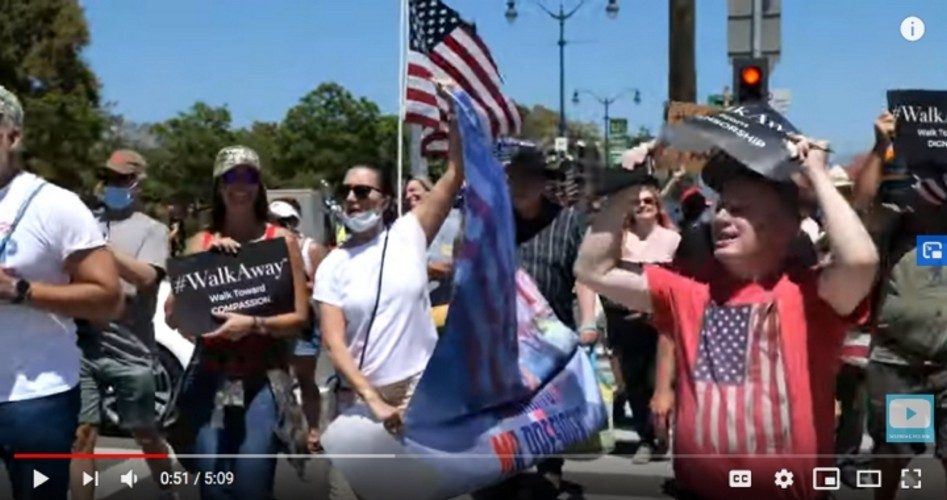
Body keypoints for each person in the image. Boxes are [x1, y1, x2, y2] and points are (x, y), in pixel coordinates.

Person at [576, 136, 879, 499]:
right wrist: (626, 189)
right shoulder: (689, 289)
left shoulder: (814, 293)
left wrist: (816, 174)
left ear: (786, 224)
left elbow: (861, 261)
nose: (721, 217)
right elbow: (593, 269)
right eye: (720, 206)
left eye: (740, 208)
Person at [314, 86, 464, 500]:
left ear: (384, 200)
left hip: (419, 391)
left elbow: (453, 176)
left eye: (363, 192)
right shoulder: (333, 265)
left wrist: (453, 116)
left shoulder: (409, 235)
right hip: (359, 399)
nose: (352, 199)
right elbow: (333, 342)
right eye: (347, 191)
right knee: (344, 492)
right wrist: (371, 399)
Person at [167, 145, 310, 500]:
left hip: (261, 379)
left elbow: (299, 319)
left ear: (259, 185)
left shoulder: (282, 242)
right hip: (209, 377)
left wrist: (253, 325)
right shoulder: (199, 242)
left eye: (249, 176)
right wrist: (206, 264)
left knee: (251, 486)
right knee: (214, 486)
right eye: (231, 177)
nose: (240, 185)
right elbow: (176, 319)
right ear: (219, 185)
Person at [0, 85, 122, 500]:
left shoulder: (54, 205)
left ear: (13, 136)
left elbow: (109, 297)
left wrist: (19, 290)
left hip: (36, 399)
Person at [475, 145, 599, 497]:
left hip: (551, 348)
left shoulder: (569, 222)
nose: (520, 185)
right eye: (512, 178)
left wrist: (588, 322)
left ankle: (548, 476)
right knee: (501, 438)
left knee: (546, 435)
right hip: (500, 346)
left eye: (528, 178)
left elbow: (585, 275)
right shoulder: (492, 224)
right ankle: (503, 476)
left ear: (544, 182)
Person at [70, 150, 176, 500]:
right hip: (84, 345)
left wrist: (100, 249)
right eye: (109, 178)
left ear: (137, 183)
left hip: (131, 351)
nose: (112, 186)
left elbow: (146, 277)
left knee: (144, 433)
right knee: (82, 434)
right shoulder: (85, 220)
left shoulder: (153, 230)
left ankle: (171, 489)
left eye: (121, 179)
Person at [853, 111, 947, 500]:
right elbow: (860, 204)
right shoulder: (897, 227)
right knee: (893, 456)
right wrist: (880, 146)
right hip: (901, 368)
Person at [603, 181, 680, 464]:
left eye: (649, 201)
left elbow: (681, 283)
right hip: (624, 320)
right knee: (633, 383)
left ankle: (662, 431)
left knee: (660, 378)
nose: (644, 205)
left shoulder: (673, 239)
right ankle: (646, 438)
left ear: (658, 207)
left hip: (661, 321)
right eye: (638, 201)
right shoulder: (618, 240)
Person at [269, 197, 328, 452]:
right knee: (277, 380)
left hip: (304, 326)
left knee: (305, 379)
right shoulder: (262, 249)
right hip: (273, 324)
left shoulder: (310, 249)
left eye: (284, 221)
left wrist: (294, 283)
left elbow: (325, 284)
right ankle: (287, 430)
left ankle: (314, 429)